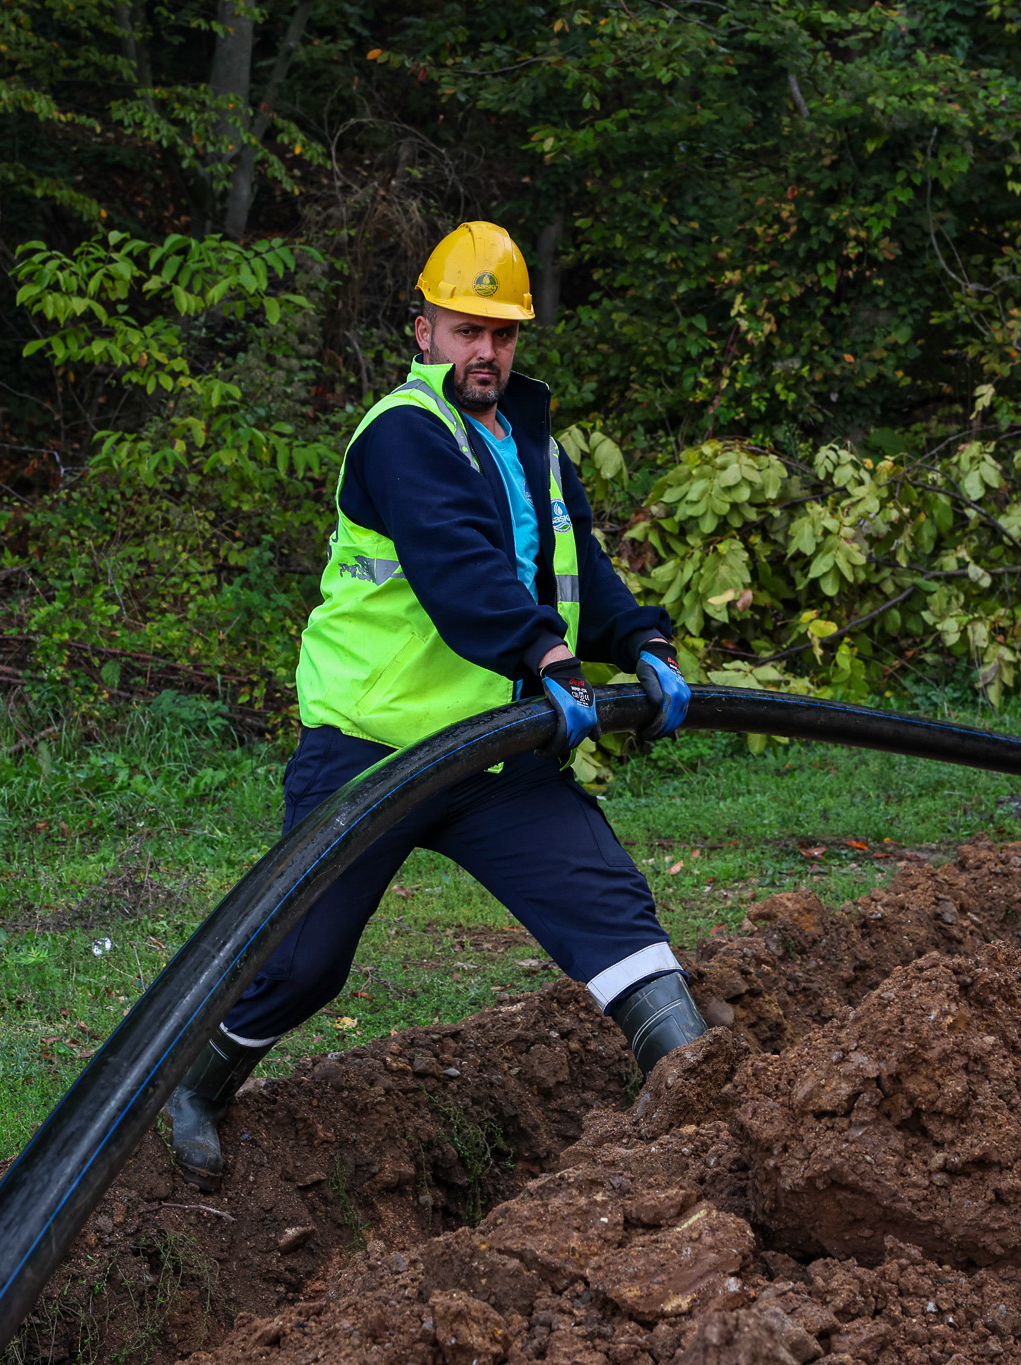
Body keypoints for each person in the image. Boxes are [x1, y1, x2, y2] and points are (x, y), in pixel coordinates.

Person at [163, 221, 707, 1190]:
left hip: (492, 751)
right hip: (369, 750)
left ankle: (701, 1103)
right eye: (465, 330)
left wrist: (641, 643)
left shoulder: (532, 444)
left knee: (608, 905)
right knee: (305, 960)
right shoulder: (402, 436)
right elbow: (460, 573)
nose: (485, 352)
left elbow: (581, 567)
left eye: (501, 334)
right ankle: (193, 1088)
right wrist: (545, 653)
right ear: (422, 332)